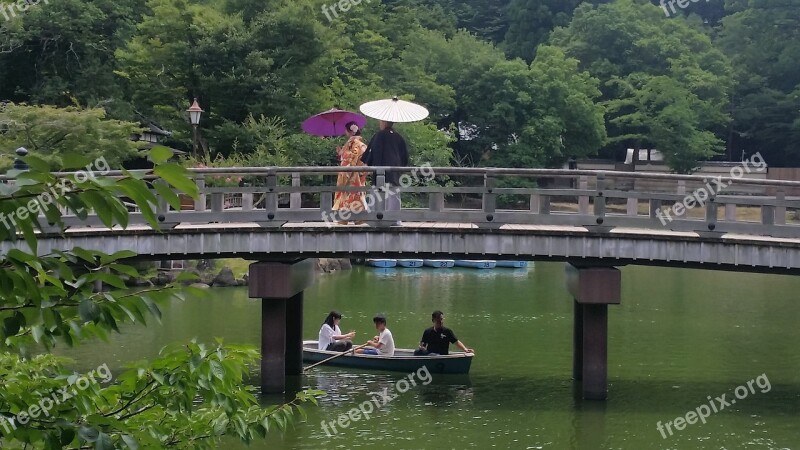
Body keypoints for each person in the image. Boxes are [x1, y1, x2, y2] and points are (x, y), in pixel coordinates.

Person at [361, 120, 409, 222]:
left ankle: (375, 220)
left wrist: (369, 163)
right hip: (395, 172)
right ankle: (394, 220)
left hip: (380, 172)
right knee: (393, 194)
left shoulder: (379, 135)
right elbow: (405, 158)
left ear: (383, 122)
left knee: (377, 194)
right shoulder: (399, 137)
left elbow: (371, 154)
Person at [333, 121, 368, 225]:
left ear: (350, 131)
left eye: (346, 130)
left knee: (346, 195)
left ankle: (344, 218)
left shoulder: (353, 143)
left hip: (351, 174)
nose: (345, 132)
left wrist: (342, 153)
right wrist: (341, 153)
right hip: (359, 173)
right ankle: (359, 217)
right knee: (358, 195)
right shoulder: (361, 143)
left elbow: (351, 157)